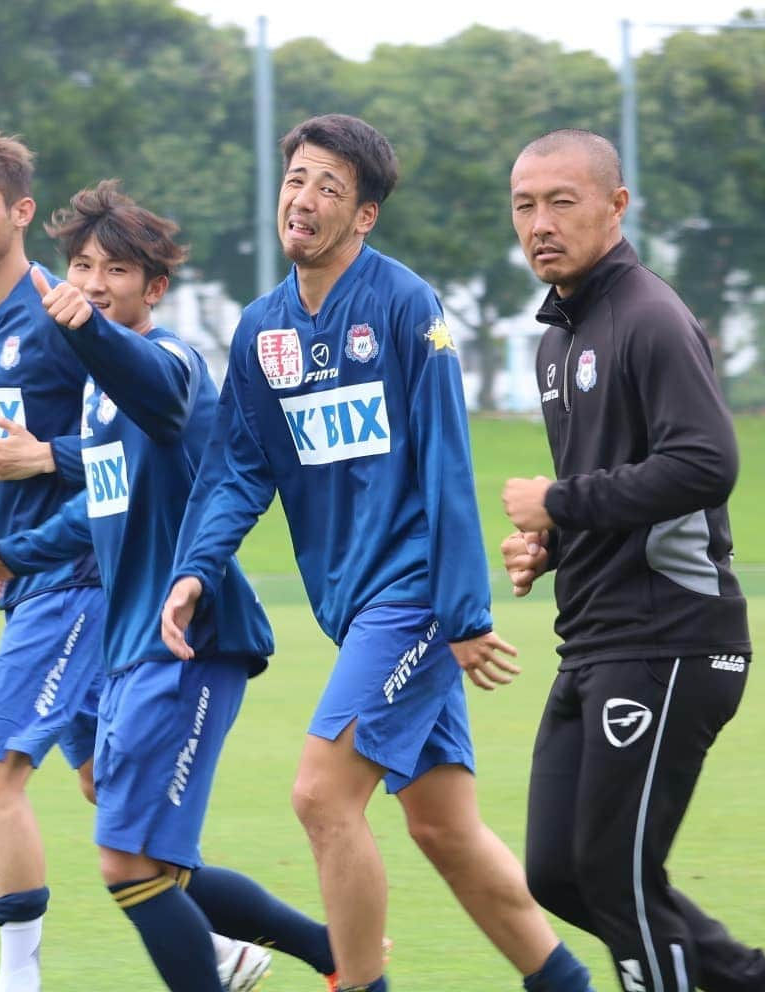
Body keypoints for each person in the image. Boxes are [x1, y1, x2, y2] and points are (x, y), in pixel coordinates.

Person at [161, 113, 594, 992]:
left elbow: (445, 460)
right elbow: (238, 468)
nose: (305, 199)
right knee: (443, 830)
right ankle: (568, 985)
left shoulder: (406, 306)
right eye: (296, 181)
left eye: (329, 187)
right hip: (355, 607)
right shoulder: (261, 332)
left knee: (322, 797)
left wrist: (463, 613)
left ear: (364, 216)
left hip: (415, 599)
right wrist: (195, 569)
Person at [0, 179, 347, 992]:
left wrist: (87, 330)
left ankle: (337, 958)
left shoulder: (169, 362)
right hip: (137, 648)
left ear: (155, 289)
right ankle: (339, 955)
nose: (93, 284)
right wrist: (16, 551)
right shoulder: (102, 396)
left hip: (193, 641)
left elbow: (164, 398)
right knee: (153, 859)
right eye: (80, 266)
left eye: (114, 271)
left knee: (125, 859)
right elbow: (101, 516)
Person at [0, 131, 265, 992]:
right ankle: (254, 950)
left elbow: (127, 444)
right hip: (33, 567)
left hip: (83, 582)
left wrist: (49, 458)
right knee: (114, 809)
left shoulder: (67, 314)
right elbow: (10, 466)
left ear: (21, 214)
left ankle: (18, 977)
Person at [501, 128, 763, 992]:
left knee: (617, 879)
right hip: (598, 643)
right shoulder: (556, 342)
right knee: (560, 874)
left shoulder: (649, 315)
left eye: (561, 201)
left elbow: (704, 464)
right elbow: (618, 482)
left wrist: (559, 503)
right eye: (525, 205)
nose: (540, 222)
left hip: (672, 642)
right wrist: (550, 540)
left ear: (616, 207)